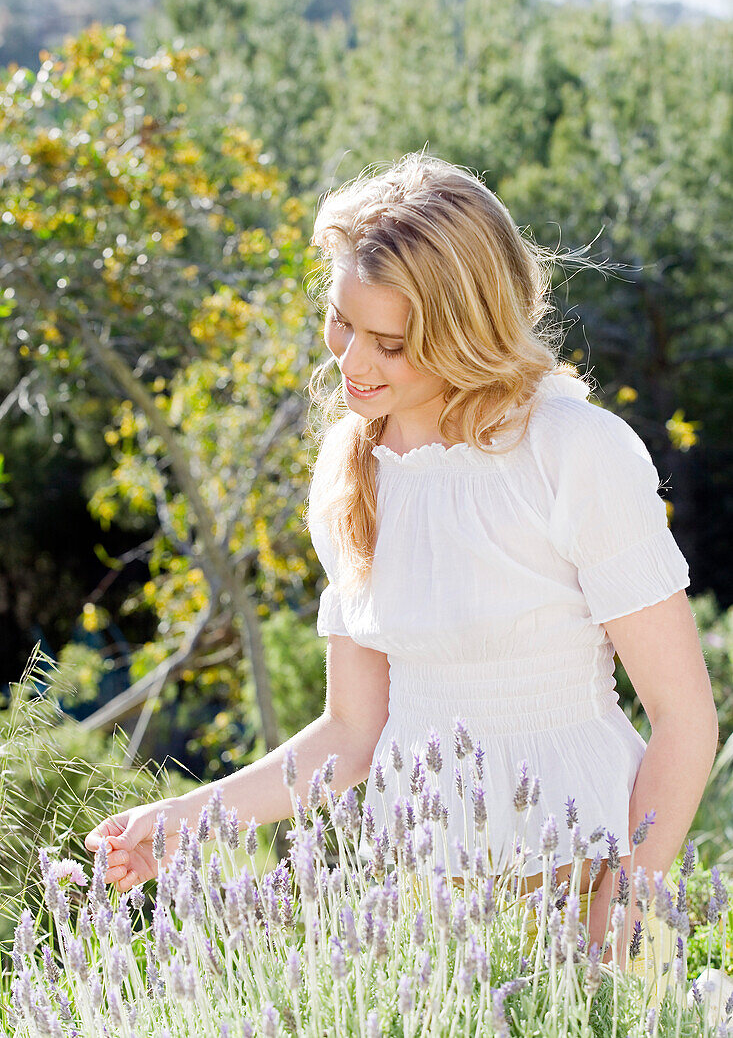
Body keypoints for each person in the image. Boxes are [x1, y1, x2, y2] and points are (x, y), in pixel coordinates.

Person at [85, 151, 718, 982]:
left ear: (467, 333)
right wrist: (181, 823)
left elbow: (684, 719)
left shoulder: (574, 451)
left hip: (582, 892)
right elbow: (351, 734)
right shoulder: (349, 469)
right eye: (341, 323)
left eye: (389, 343)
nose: (351, 363)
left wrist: (619, 922)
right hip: (415, 913)